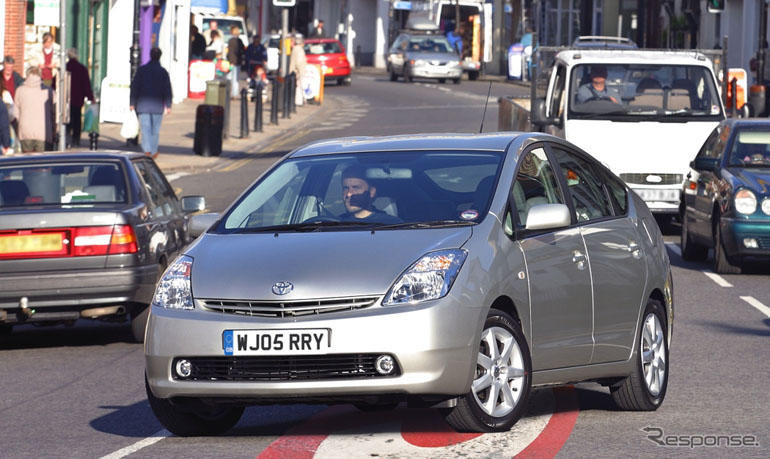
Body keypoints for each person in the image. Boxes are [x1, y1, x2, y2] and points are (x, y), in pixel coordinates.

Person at [129, 47, 172, 159]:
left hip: (143, 105)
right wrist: (168, 105)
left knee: (145, 129)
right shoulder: (163, 72)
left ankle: (146, 150)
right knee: (155, 130)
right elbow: (167, 89)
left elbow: (135, 87)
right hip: (157, 106)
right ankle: (153, 151)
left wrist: (132, 102)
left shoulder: (142, 70)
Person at [14, 67, 55, 152]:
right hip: (43, 133)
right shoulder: (48, 91)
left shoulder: (20, 90)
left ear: (27, 75)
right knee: (41, 162)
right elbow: (54, 111)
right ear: (40, 75)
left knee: (26, 161)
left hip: (25, 131)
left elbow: (15, 113)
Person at [65, 48, 94, 147]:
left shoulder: (65, 67)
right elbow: (86, 84)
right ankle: (76, 140)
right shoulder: (82, 68)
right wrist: (90, 97)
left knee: (67, 119)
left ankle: (66, 138)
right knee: (77, 119)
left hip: (66, 98)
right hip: (77, 98)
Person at [227, 26, 245, 98]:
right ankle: (235, 92)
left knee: (232, 78)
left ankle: (234, 93)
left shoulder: (231, 41)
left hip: (233, 62)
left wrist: (231, 61)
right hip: (238, 61)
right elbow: (242, 51)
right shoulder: (240, 41)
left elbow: (231, 52)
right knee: (236, 78)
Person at [288, 35, 307, 105]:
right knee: (299, 86)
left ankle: (300, 100)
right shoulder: (299, 49)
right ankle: (299, 101)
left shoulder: (295, 49)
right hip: (298, 71)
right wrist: (299, 70)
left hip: (295, 70)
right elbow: (299, 61)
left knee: (298, 85)